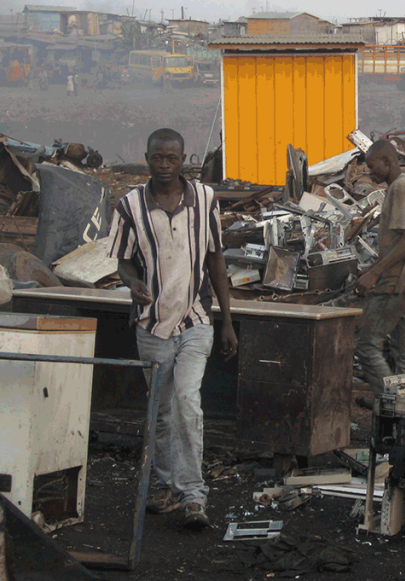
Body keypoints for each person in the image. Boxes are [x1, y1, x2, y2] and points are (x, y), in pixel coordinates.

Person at [109, 128, 237, 529]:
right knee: (162, 411)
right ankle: (167, 486)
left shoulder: (205, 199)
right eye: (157, 158)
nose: (164, 165)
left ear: (184, 160)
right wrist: (133, 283)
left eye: (172, 159)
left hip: (196, 319)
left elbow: (216, 259)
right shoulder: (130, 206)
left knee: (187, 401)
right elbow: (123, 261)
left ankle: (194, 495)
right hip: (152, 324)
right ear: (147, 158)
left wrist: (226, 321)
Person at [353, 140, 405, 395]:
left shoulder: (400, 188)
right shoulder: (403, 186)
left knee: (367, 346)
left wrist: (375, 273)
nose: (370, 172)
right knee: (404, 353)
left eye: (372, 166)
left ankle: (391, 401)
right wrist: (372, 268)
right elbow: (401, 241)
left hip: (396, 283)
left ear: (387, 161)